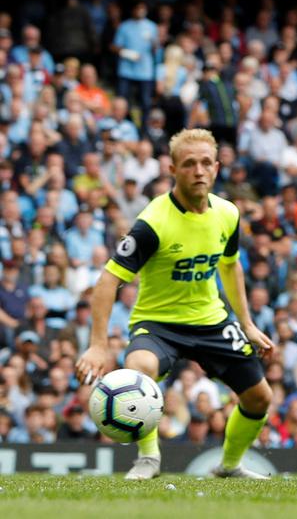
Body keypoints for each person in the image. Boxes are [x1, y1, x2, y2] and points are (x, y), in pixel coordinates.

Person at [75, 129, 275, 481]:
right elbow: (108, 280)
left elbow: (230, 265)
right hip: (158, 323)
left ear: (216, 167)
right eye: (188, 164)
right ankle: (148, 459)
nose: (198, 171)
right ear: (172, 169)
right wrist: (97, 345)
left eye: (204, 163)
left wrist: (247, 322)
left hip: (211, 320)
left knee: (260, 397)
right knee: (139, 367)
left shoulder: (228, 213)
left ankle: (229, 466)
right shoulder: (153, 223)